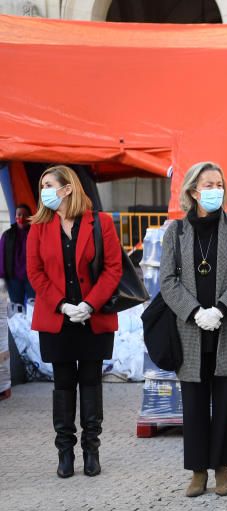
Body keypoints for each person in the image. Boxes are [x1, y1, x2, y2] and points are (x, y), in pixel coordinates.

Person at [160, 161, 227, 498]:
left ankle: (223, 468)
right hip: (191, 330)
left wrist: (220, 309)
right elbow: (167, 280)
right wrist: (194, 311)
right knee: (195, 405)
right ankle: (198, 471)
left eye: (220, 183)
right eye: (209, 184)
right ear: (193, 190)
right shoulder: (176, 231)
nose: (216, 190)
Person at [26, 166, 122, 478]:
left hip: (92, 318)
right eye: (43, 185)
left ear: (68, 189)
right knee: (63, 384)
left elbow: (113, 268)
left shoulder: (101, 223)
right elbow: (35, 273)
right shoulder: (39, 226)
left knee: (92, 382)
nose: (44, 191)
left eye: (49, 184)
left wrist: (89, 304)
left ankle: (91, 451)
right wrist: (62, 305)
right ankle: (64, 453)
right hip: (58, 318)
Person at [0, 204, 35, 305]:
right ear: (15, 216)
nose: (21, 218)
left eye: (25, 215)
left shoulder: (35, 233)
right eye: (19, 214)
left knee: (33, 306)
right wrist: (1, 277)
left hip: (32, 277)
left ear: (29, 217)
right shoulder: (7, 235)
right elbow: (1, 256)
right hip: (13, 278)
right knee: (16, 307)